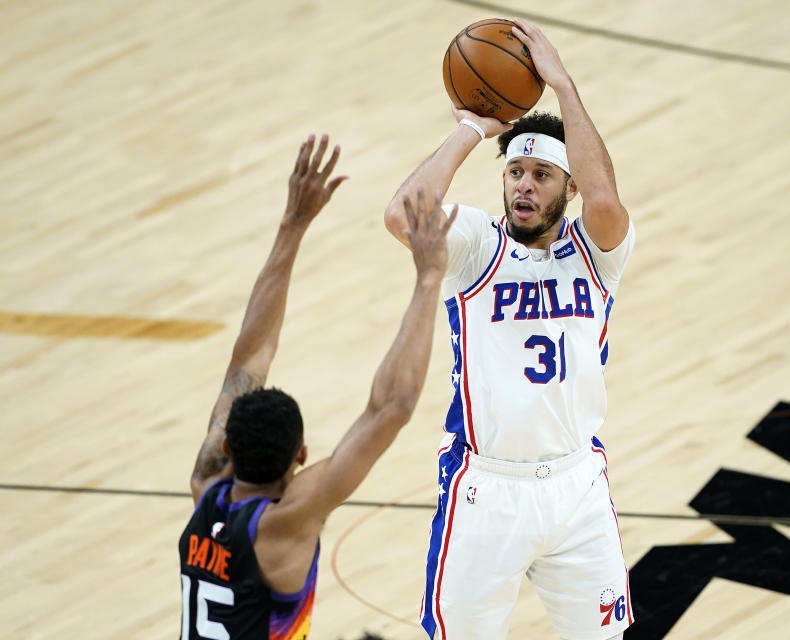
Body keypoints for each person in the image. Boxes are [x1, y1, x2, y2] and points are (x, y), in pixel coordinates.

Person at [383, 18, 636, 640]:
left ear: (567, 187)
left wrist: (562, 86)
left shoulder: (597, 251)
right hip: (487, 491)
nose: (524, 184)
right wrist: (473, 127)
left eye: (541, 175)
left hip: (578, 487)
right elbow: (401, 214)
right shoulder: (474, 244)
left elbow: (605, 198)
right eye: (515, 172)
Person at [181, 133, 457, 640]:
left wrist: (293, 223)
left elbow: (250, 357)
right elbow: (390, 408)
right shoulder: (283, 524)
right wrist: (428, 278)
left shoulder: (206, 488)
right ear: (301, 455)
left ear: (225, 446)